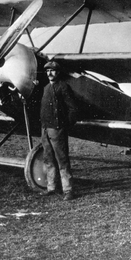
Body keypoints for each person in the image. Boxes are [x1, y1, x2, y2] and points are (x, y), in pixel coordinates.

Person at [40, 61, 78, 201]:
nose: (50, 73)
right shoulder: (46, 88)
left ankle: (68, 190)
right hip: (45, 129)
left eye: (53, 70)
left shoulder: (63, 87)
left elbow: (73, 109)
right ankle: (51, 187)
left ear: (58, 72)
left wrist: (65, 125)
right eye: (48, 70)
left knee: (62, 160)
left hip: (57, 129)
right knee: (48, 159)